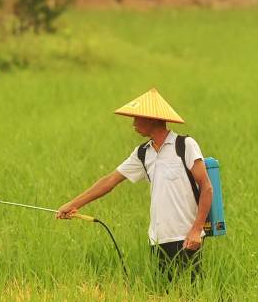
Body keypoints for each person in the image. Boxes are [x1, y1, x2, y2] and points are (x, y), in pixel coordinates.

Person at [57, 88, 213, 281]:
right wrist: (74, 204)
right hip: (158, 240)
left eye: (137, 118)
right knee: (166, 298)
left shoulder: (185, 145)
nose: (133, 124)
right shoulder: (143, 153)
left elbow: (206, 187)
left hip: (186, 238)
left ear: (152, 119)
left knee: (192, 298)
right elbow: (110, 180)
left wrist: (197, 229)